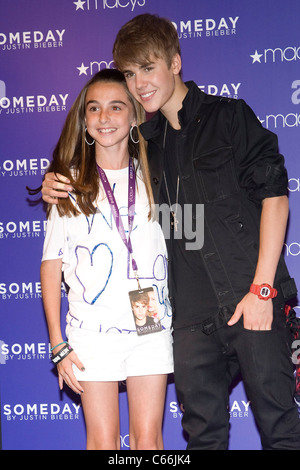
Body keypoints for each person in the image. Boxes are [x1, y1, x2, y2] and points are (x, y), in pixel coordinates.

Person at [40, 14, 300, 450]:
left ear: (175, 62)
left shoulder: (228, 116)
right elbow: (102, 152)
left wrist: (263, 291)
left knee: (280, 428)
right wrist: (56, 180)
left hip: (249, 300)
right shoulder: (147, 143)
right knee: (202, 439)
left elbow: (275, 197)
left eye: (148, 67)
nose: (139, 83)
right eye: (130, 73)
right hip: (189, 323)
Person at [40, 68, 173, 450]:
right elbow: (51, 265)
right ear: (84, 121)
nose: (104, 118)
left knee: (148, 441)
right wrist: (57, 343)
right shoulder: (67, 185)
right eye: (94, 109)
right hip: (91, 333)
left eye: (116, 107)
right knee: (102, 442)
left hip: (150, 323)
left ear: (134, 116)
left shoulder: (155, 176)